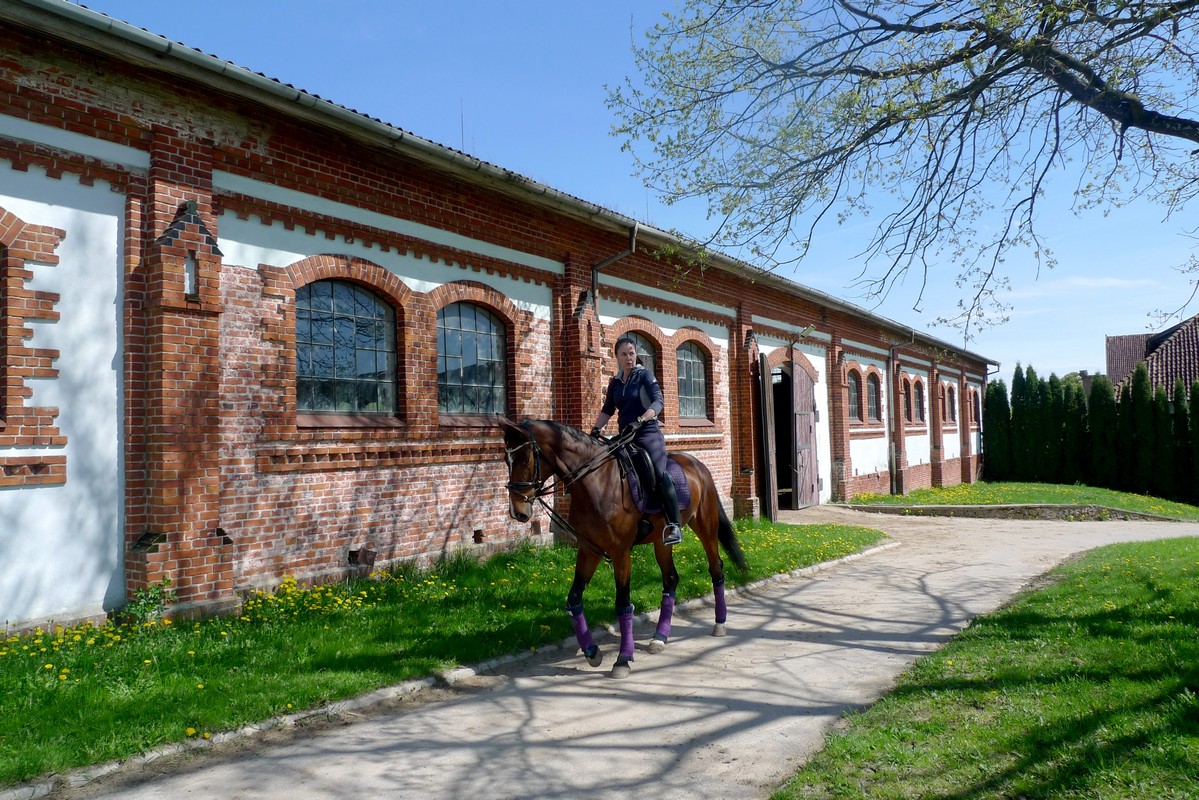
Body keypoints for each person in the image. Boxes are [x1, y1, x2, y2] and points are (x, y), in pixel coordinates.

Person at [590, 335, 683, 546]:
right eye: (623, 354)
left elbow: (658, 402)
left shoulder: (644, 375)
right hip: (625, 435)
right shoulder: (615, 382)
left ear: (636, 354)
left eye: (631, 353)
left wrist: (641, 419)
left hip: (647, 432)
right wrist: (596, 428)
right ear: (616, 357)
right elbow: (608, 410)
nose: (628, 358)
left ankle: (674, 525)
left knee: (658, 474)